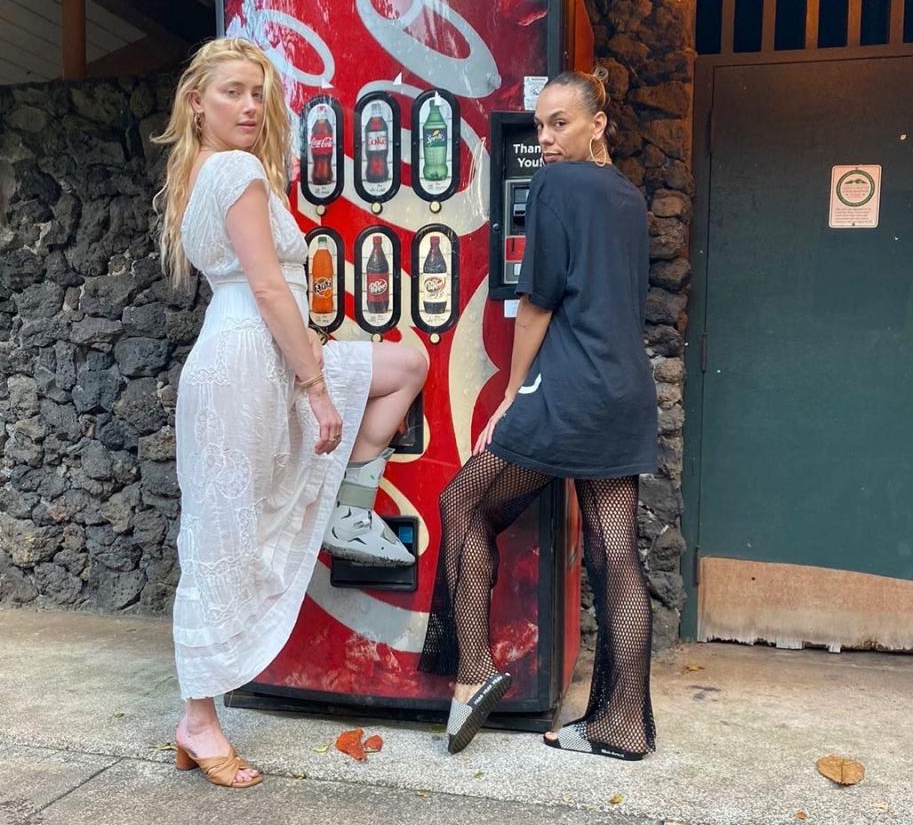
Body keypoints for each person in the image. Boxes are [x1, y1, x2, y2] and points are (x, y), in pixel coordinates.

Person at [153, 38, 427, 788]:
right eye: (234, 92)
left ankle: (349, 503)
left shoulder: (211, 173)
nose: (250, 106)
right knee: (223, 536)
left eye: (259, 94)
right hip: (250, 361)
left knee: (405, 363)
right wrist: (314, 384)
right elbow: (271, 290)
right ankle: (199, 720)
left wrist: (310, 366)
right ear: (198, 102)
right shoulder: (235, 170)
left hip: (262, 353)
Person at [419, 69, 658, 762]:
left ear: (597, 124)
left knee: (459, 499)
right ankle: (622, 727)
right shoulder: (629, 198)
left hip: (568, 393)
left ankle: (472, 671)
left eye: (561, 123)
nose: (546, 139)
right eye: (540, 124)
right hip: (623, 394)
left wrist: (509, 395)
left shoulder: (555, 187)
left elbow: (536, 303)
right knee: (619, 559)